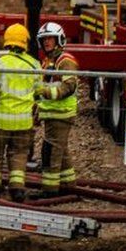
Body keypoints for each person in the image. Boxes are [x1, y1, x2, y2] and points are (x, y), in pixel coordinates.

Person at [0, 24, 40, 202]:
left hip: (0, 123)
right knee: (19, 155)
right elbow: (39, 92)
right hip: (24, 124)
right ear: (25, 42)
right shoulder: (34, 65)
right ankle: (17, 189)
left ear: (7, 42)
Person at [34, 22, 79, 198]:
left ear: (59, 39)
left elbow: (69, 87)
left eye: (50, 39)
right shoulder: (49, 61)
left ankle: (50, 191)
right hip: (52, 114)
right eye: (44, 39)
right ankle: (69, 185)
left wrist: (43, 91)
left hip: (61, 115)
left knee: (51, 152)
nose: (47, 42)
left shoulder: (65, 61)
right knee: (61, 150)